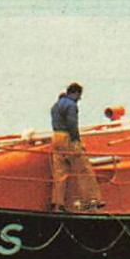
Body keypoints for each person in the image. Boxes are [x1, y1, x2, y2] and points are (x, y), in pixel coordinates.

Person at [50, 82, 102, 211]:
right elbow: (72, 124)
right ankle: (92, 201)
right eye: (79, 95)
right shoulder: (71, 105)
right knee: (83, 169)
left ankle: (58, 203)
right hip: (67, 138)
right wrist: (76, 141)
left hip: (56, 137)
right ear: (75, 93)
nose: (80, 99)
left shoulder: (55, 106)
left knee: (60, 173)